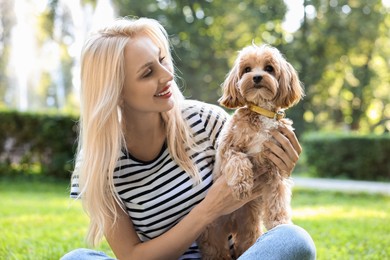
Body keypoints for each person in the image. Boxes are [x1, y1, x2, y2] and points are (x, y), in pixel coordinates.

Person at [62, 17, 316, 260]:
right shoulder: (97, 165)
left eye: (162, 60)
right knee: (76, 258)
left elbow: (261, 176)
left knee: (293, 239)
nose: (168, 76)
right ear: (114, 90)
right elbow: (132, 256)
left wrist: (280, 165)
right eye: (148, 72)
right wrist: (209, 209)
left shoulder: (206, 121)